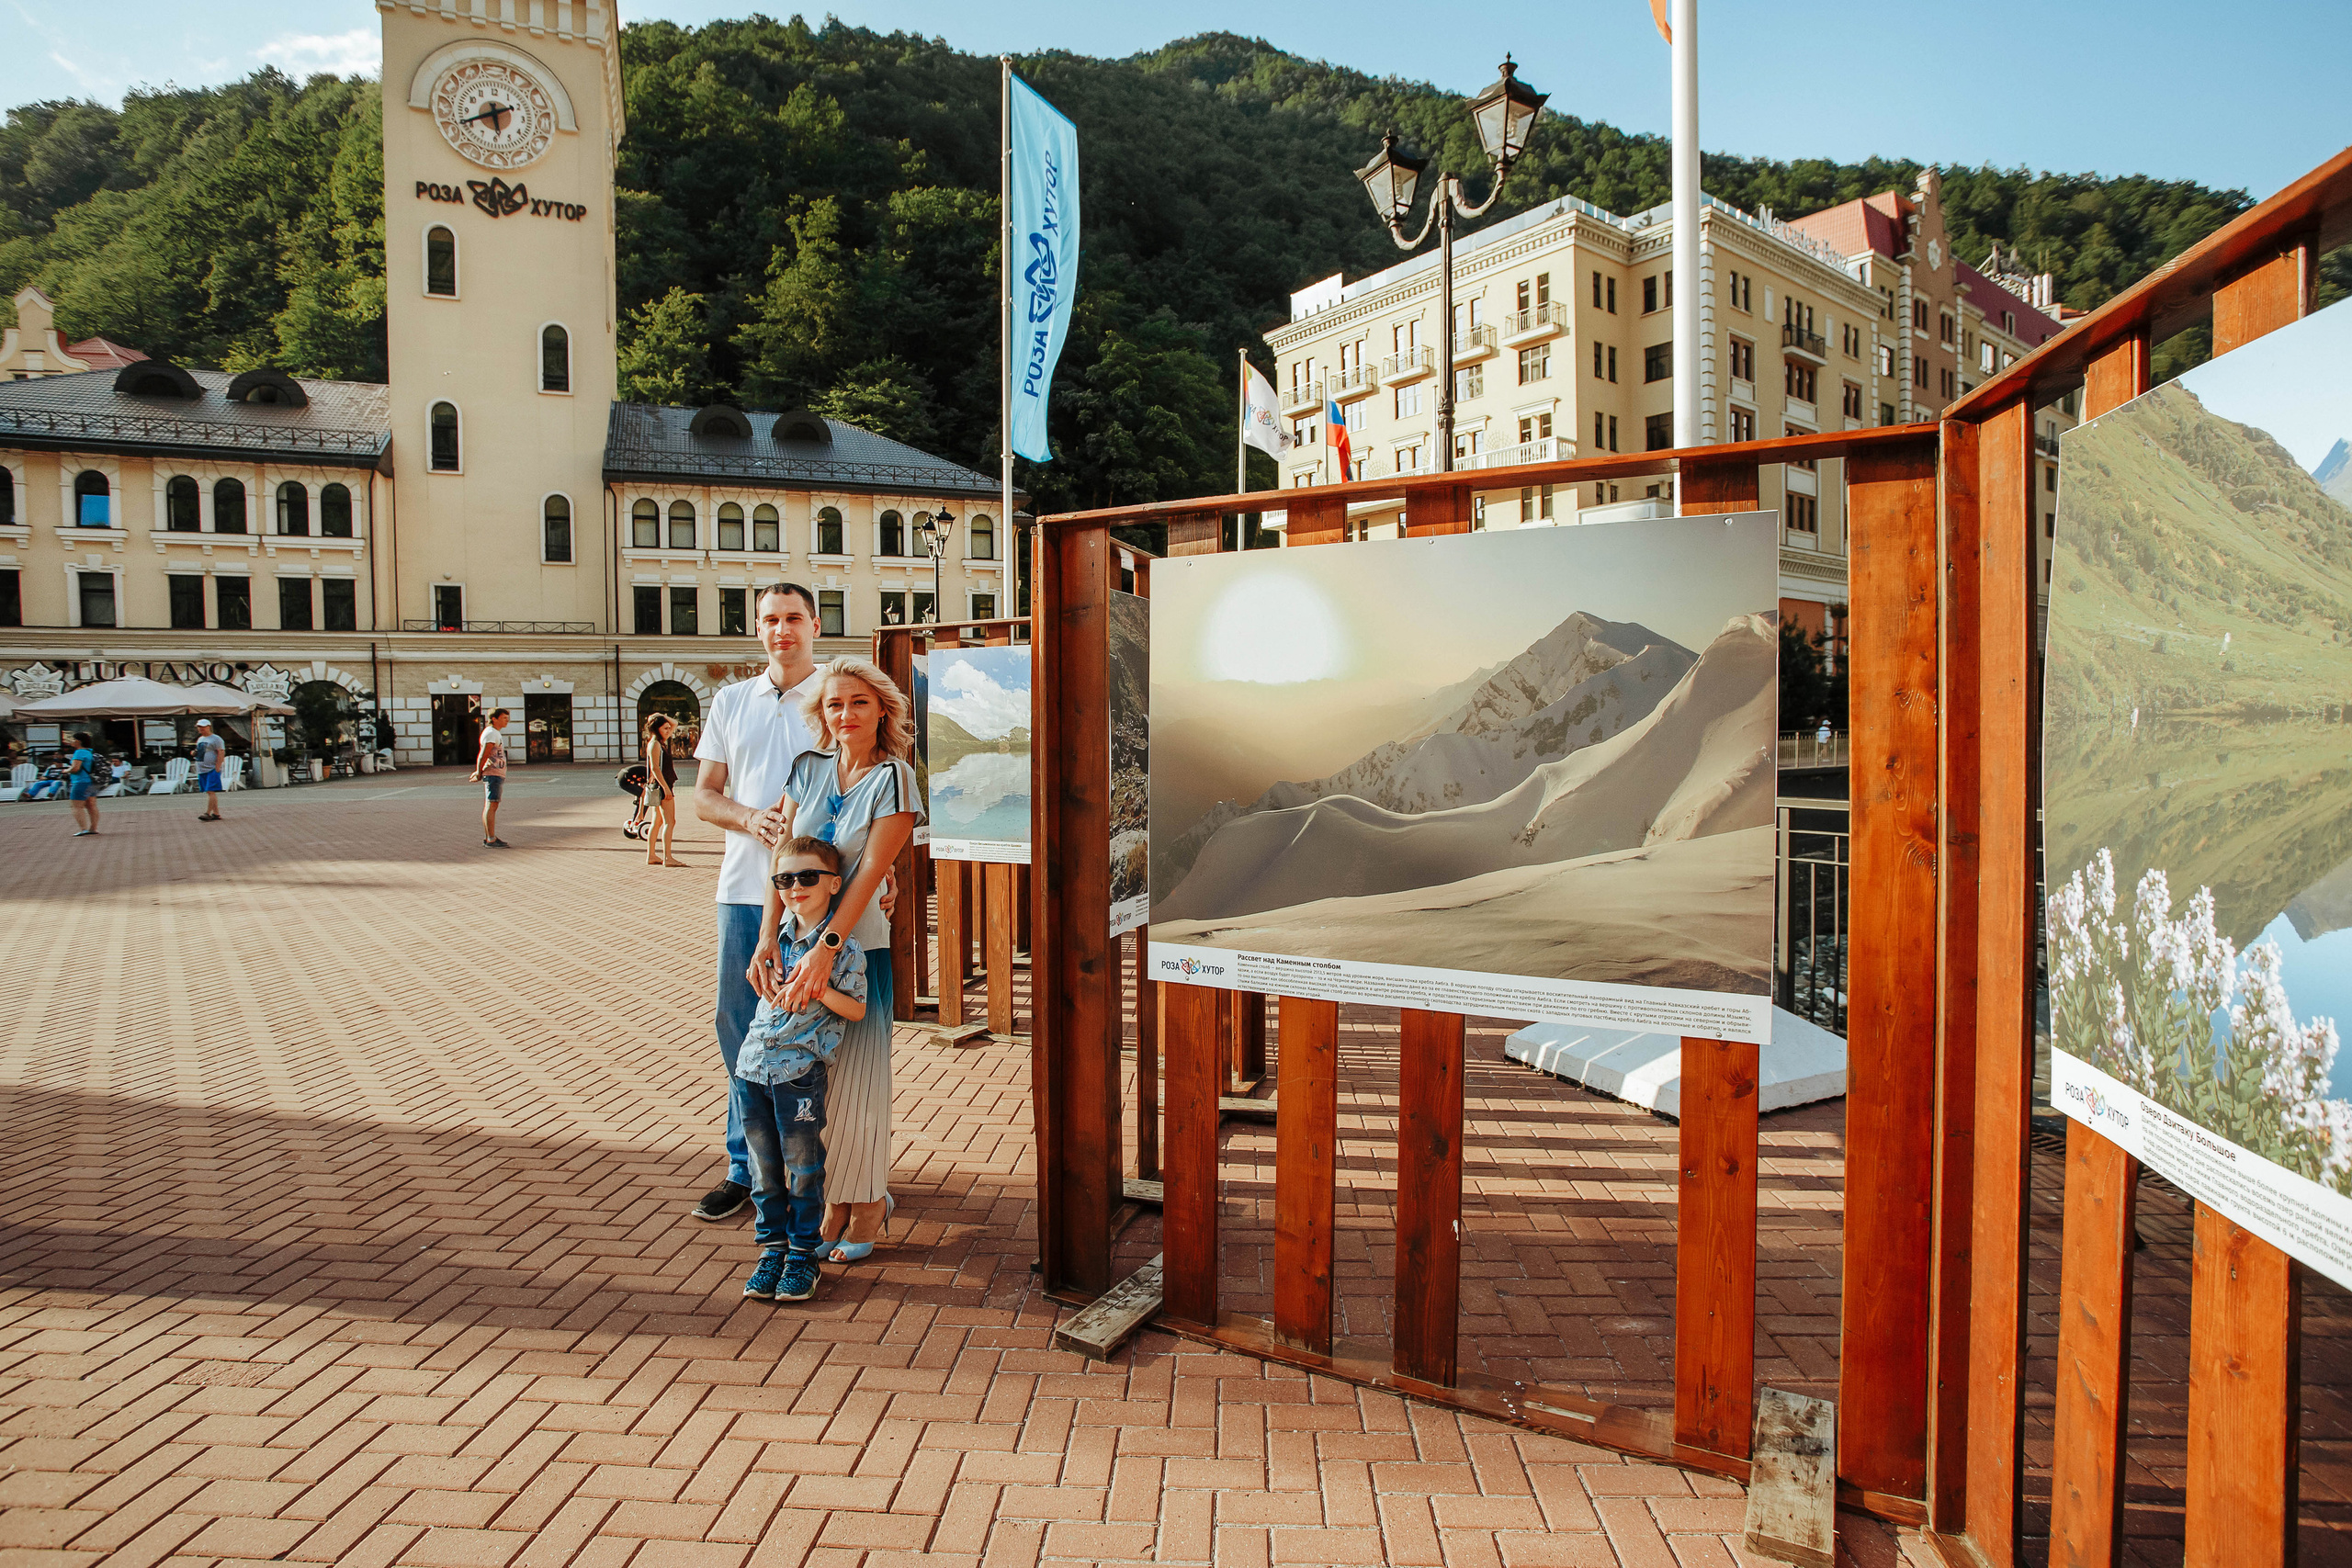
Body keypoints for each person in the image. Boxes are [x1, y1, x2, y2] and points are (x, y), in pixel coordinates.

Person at [767, 657, 921, 1263]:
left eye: (858, 702)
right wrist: (768, 940)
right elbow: (779, 858)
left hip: (857, 950)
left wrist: (826, 951)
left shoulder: (896, 779)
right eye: (834, 704)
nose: (845, 714)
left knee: (859, 1083)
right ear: (821, 713)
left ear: (882, 708)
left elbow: (871, 876)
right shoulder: (807, 769)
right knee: (811, 1083)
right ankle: (834, 1198)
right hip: (794, 951)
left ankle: (866, 1207)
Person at [689, 583, 831, 1223]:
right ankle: (745, 1166)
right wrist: (750, 819)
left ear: (816, 624)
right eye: (771, 620)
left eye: (793, 618)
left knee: (809, 1031)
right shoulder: (732, 699)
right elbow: (704, 795)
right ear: (757, 629)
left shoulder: (836, 693)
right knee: (741, 1027)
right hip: (743, 890)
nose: (782, 630)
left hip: (817, 900)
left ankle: (821, 1166)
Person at [732, 834, 868, 1303]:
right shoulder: (775, 942)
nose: (795, 886)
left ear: (834, 884)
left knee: (804, 1168)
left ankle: (802, 1253)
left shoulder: (841, 949)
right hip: (752, 1070)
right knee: (764, 1169)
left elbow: (855, 1010)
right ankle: (771, 1250)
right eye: (784, 879)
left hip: (799, 1077)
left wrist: (818, 988)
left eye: (807, 876)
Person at [641, 713, 683, 867]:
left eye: (667, 728)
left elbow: (675, 723)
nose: (668, 730)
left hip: (662, 785)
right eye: (664, 728)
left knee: (657, 822)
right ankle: (668, 857)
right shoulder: (655, 744)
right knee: (670, 822)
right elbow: (655, 768)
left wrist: (661, 716)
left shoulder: (660, 741)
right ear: (656, 729)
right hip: (662, 786)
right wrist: (666, 789)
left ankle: (651, 855)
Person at [468, 707, 512, 848]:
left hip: (496, 774)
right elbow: (484, 754)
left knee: (493, 805)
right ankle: (490, 839)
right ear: (494, 718)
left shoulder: (494, 733)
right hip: (492, 774)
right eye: (504, 717)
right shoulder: (491, 733)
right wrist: (478, 771)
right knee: (491, 805)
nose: (507, 720)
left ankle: (491, 837)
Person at [64, 732, 100, 836]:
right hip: (92, 781)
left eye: (72, 739)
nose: (71, 741)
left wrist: (66, 771)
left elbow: (76, 768)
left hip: (80, 782)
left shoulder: (79, 752)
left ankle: (83, 829)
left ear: (78, 741)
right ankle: (93, 828)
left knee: (77, 806)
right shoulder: (90, 752)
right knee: (91, 805)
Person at [194, 720, 228, 821]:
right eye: (199, 727)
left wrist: (218, 765)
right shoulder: (200, 739)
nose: (201, 729)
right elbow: (199, 751)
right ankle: (216, 813)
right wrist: (194, 753)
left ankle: (208, 813)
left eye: (203, 727)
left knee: (211, 790)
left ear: (209, 727)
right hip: (202, 769)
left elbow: (221, 752)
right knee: (209, 792)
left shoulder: (216, 739)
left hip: (212, 768)